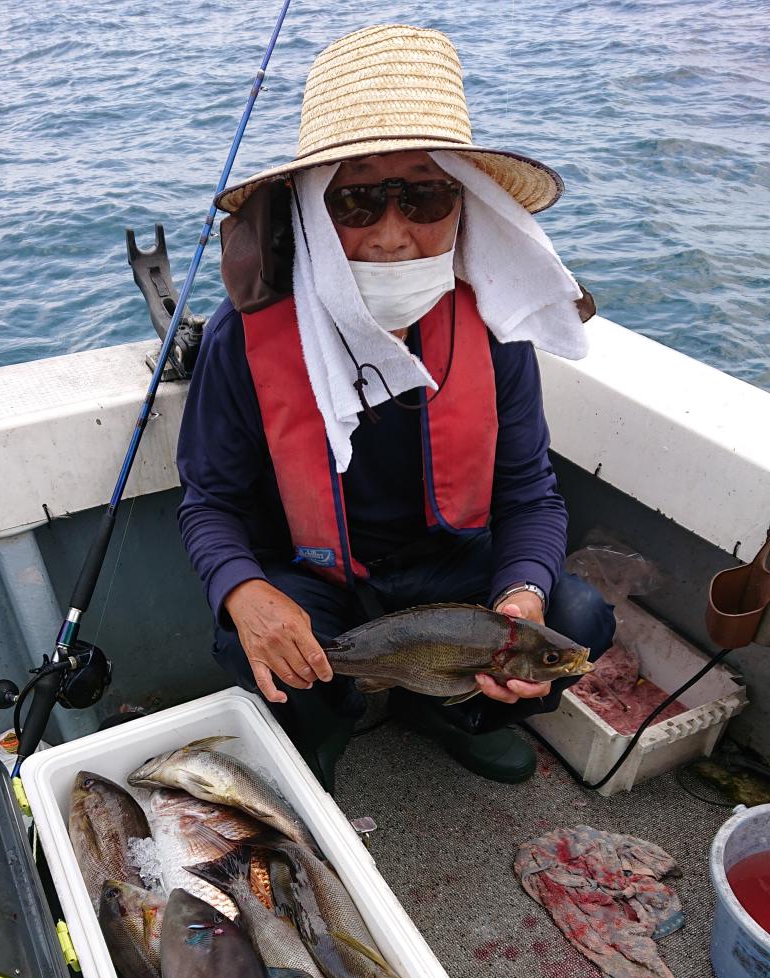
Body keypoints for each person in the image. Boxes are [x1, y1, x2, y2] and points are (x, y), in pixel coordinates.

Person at [177, 24, 615, 791]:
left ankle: (452, 712)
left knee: (573, 620)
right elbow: (209, 501)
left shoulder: (494, 324)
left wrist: (521, 594)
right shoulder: (242, 338)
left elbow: (530, 494)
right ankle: (323, 728)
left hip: (453, 568)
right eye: (355, 200)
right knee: (243, 638)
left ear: (464, 204)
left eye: (424, 195)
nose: (391, 235)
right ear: (312, 210)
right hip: (319, 573)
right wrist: (244, 591)